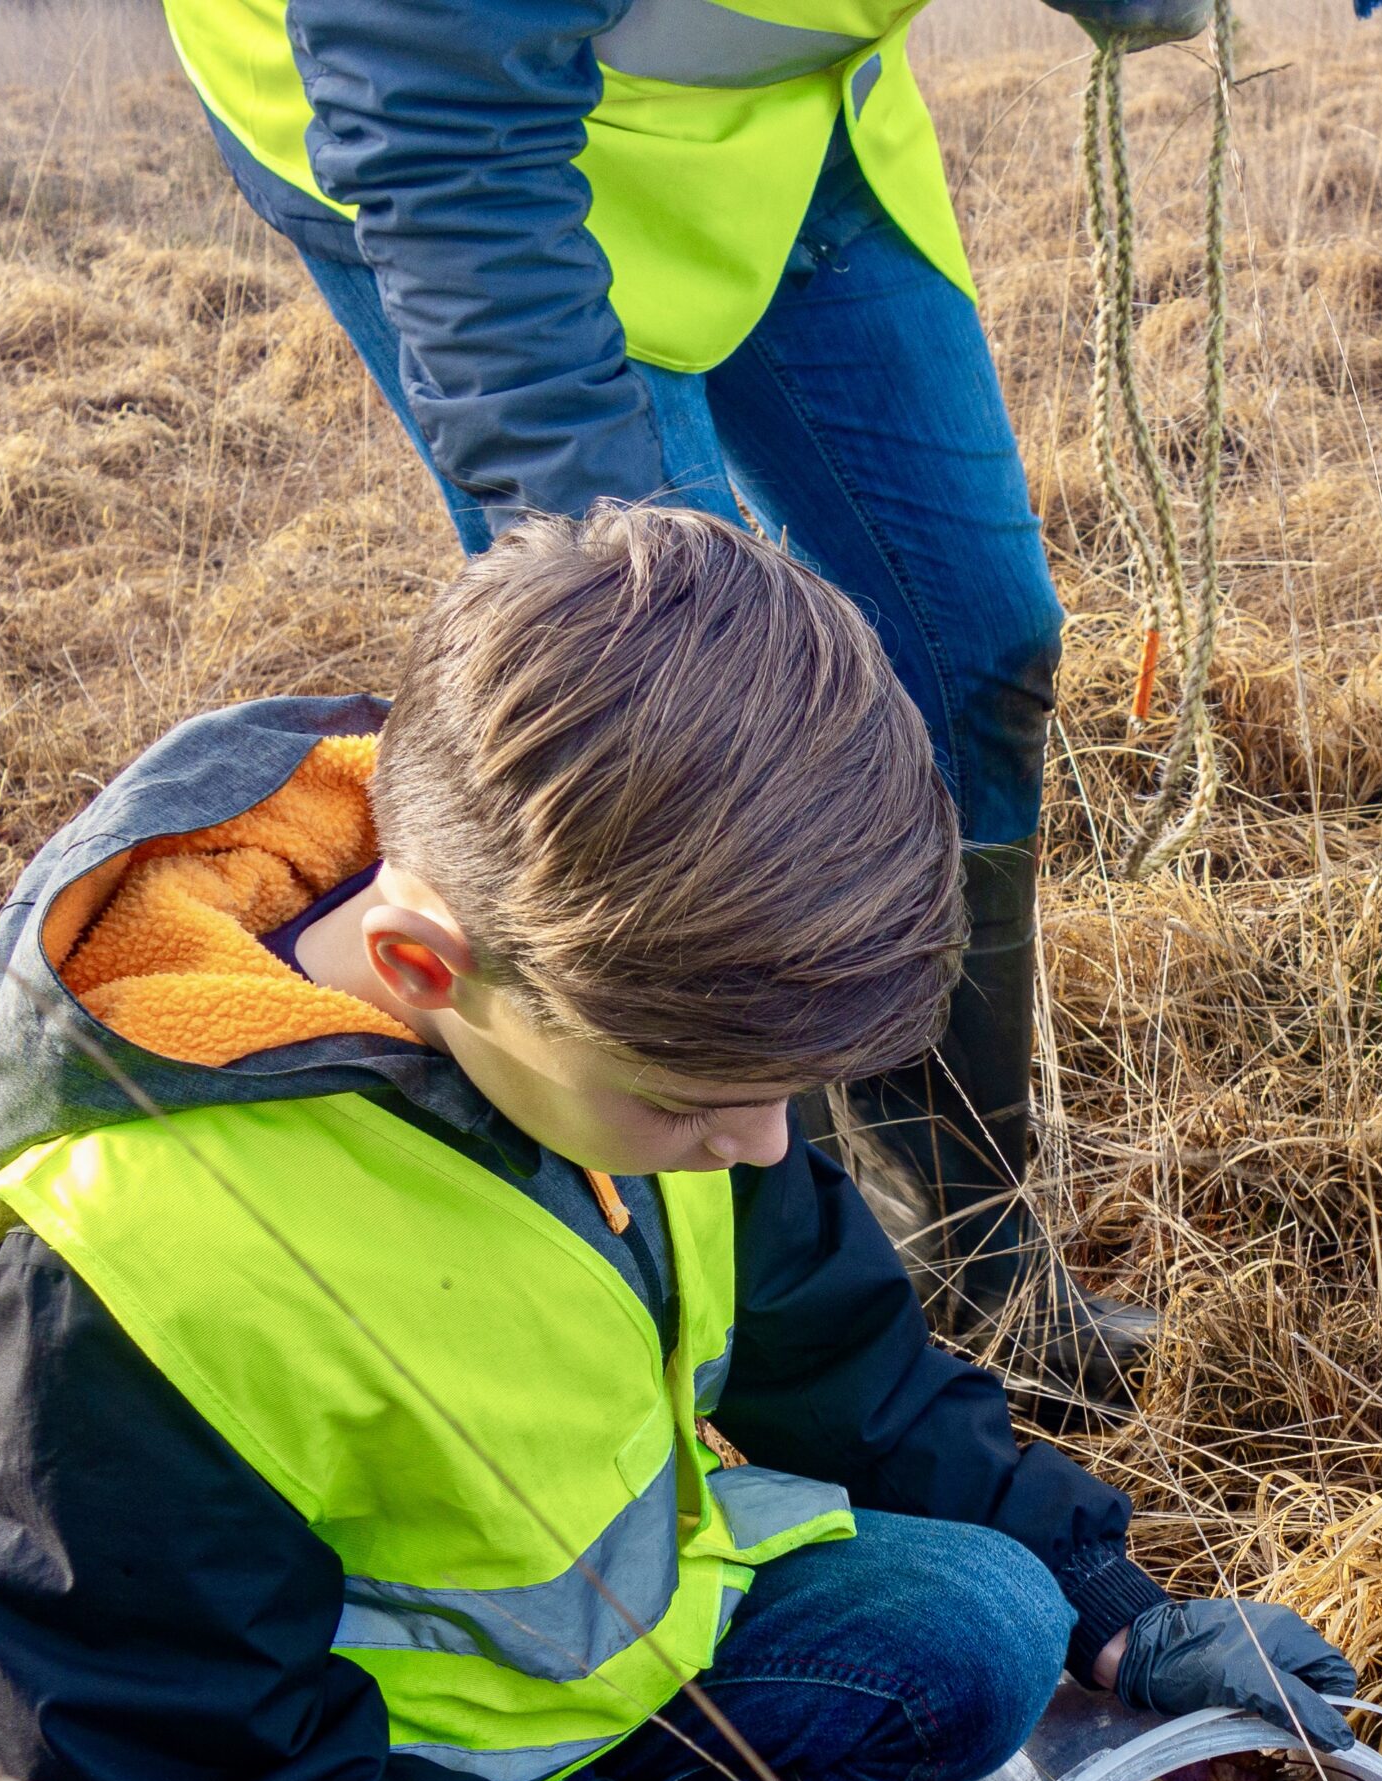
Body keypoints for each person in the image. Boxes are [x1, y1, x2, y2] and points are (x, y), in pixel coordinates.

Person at [0, 507, 1361, 1781]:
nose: (763, 1151)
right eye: (703, 1105)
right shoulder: (124, 1287)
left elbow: (842, 1357)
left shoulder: (620, 997)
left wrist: (1122, 1610)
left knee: (992, 1624)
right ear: (424, 964)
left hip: (545, 1750)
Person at [158, 0, 1228, 1406]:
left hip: (792, 134)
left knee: (979, 641)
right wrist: (616, 589)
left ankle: (967, 1264)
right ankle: (783, 1357)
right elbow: (431, 75)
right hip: (468, 139)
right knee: (687, 787)